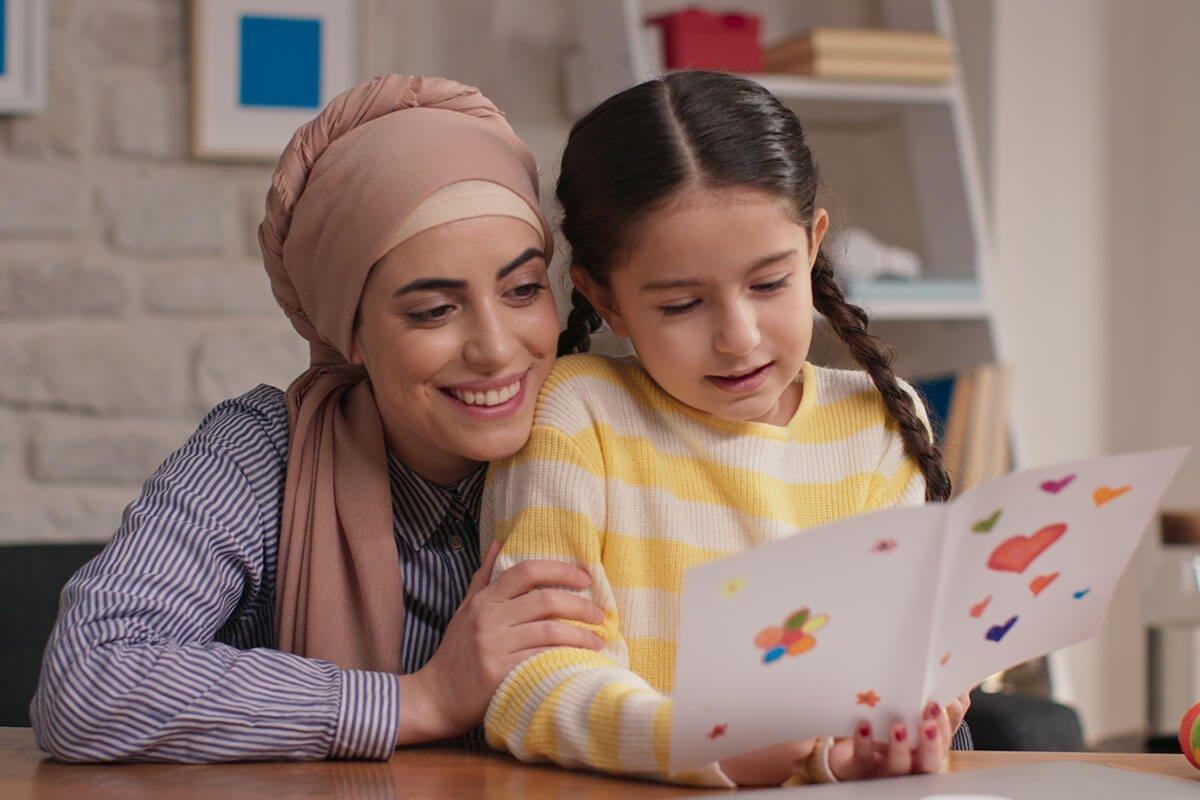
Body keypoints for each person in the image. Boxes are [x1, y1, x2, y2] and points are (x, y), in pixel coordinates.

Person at [30, 75, 605, 763]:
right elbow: (87, 681)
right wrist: (418, 700)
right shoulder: (263, 456)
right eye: (433, 310)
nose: (496, 348)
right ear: (349, 333)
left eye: (521, 290)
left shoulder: (605, 434)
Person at [482, 71, 972, 788]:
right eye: (682, 304)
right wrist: (698, 743)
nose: (738, 339)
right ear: (605, 300)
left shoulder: (875, 421)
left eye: (770, 284)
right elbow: (526, 680)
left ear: (812, 247)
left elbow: (868, 692)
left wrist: (888, 733)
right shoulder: (577, 413)